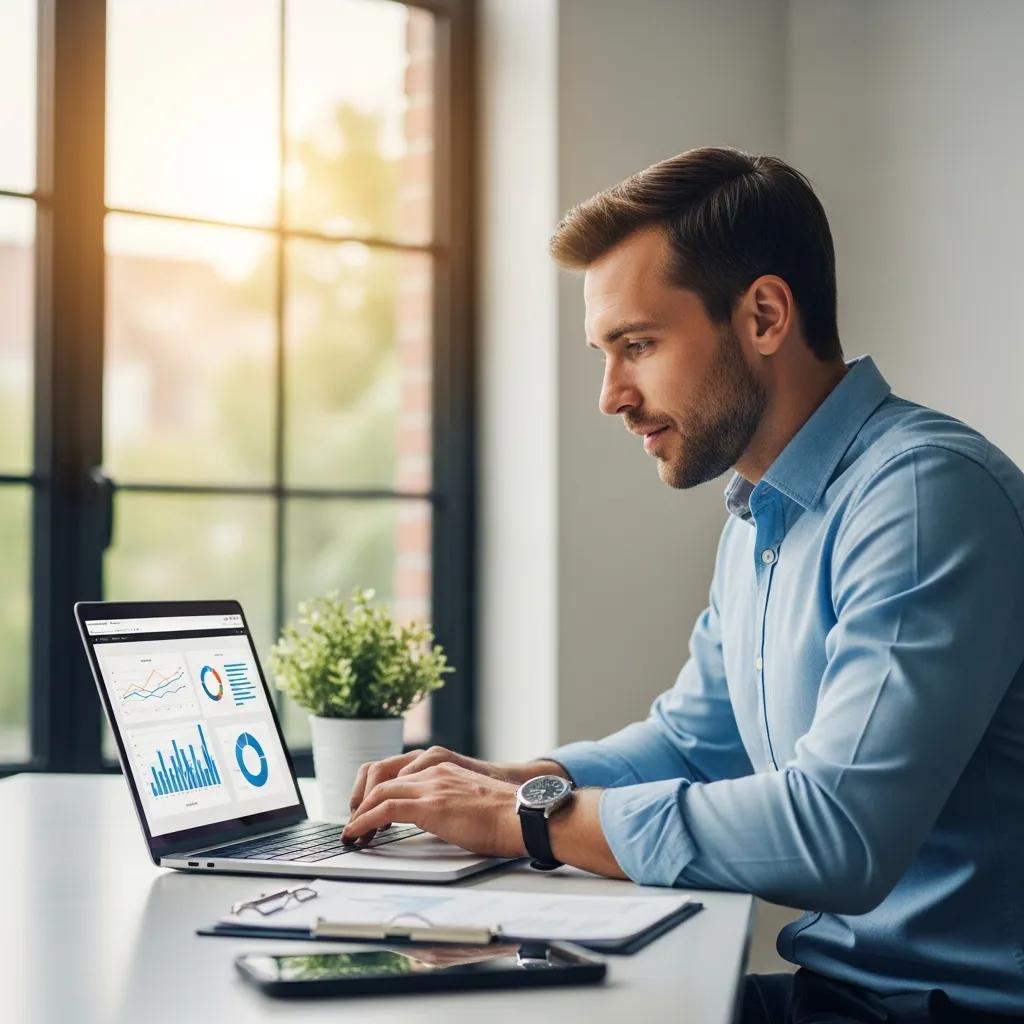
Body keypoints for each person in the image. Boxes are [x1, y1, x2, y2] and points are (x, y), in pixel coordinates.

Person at [341, 147, 1024, 1023]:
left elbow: (839, 834)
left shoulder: (923, 498)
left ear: (764, 316)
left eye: (638, 345)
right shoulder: (763, 517)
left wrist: (526, 820)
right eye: (605, 352)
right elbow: (698, 744)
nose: (611, 396)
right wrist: (516, 780)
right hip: (842, 997)